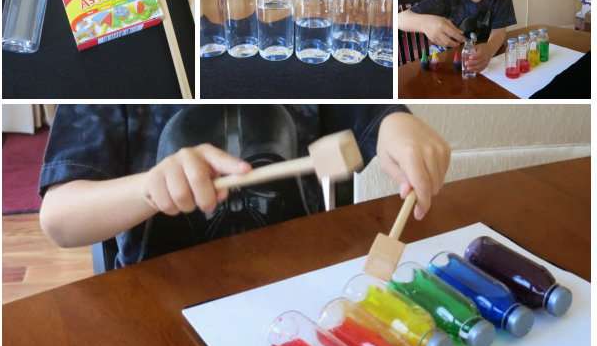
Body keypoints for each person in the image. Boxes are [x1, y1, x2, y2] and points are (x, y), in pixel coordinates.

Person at [39, 105, 451, 268]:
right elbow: (60, 219)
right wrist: (149, 188)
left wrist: (396, 122)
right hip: (164, 308)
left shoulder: (305, 50)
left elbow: (373, 115)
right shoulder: (114, 82)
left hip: (297, 286)